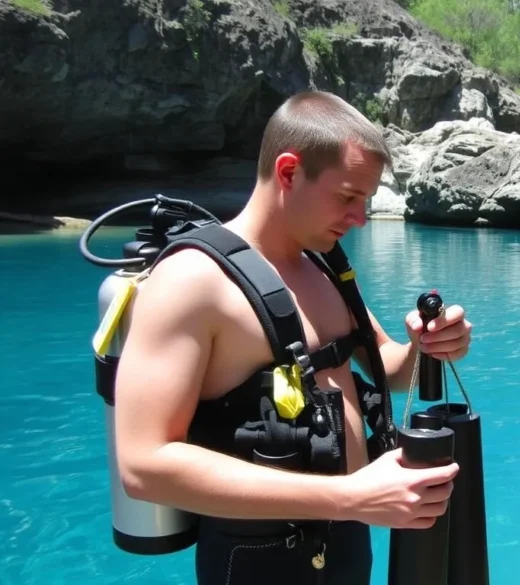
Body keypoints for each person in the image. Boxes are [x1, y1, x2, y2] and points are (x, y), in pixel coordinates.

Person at [113, 91, 474, 583]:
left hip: (347, 538)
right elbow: (143, 465)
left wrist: (429, 347)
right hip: (258, 557)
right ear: (288, 172)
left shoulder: (323, 266)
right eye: (348, 197)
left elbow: (389, 366)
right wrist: (352, 497)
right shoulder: (191, 282)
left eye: (365, 201)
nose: (360, 218)